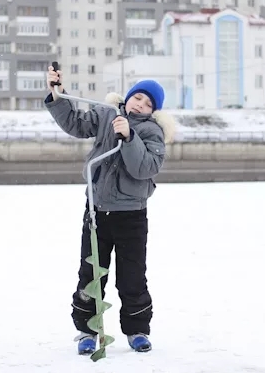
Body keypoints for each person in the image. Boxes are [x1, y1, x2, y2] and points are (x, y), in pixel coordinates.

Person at [44, 66, 176, 355]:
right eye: (137, 97)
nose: (140, 104)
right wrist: (57, 94)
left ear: (153, 110)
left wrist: (129, 137)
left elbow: (145, 168)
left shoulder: (154, 133)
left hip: (131, 215)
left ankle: (137, 329)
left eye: (148, 103)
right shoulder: (106, 115)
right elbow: (76, 124)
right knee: (90, 274)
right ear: (128, 97)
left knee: (132, 276)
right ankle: (88, 330)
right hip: (96, 211)